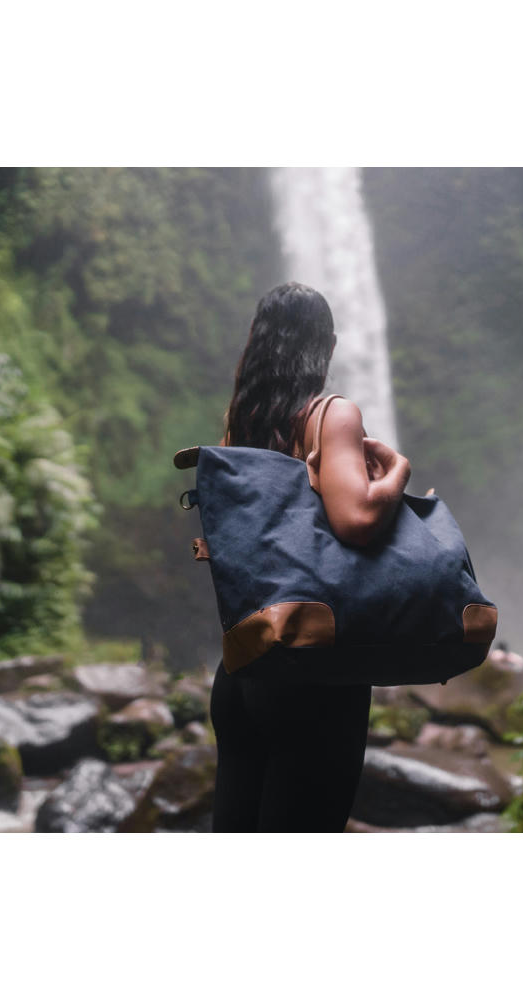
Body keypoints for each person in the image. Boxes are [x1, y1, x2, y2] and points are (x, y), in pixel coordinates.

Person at [209, 282, 411, 832]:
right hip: (314, 671)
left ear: (257, 342)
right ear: (327, 346)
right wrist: (397, 474)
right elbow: (357, 520)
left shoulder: (240, 423)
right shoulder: (332, 415)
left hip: (245, 667)